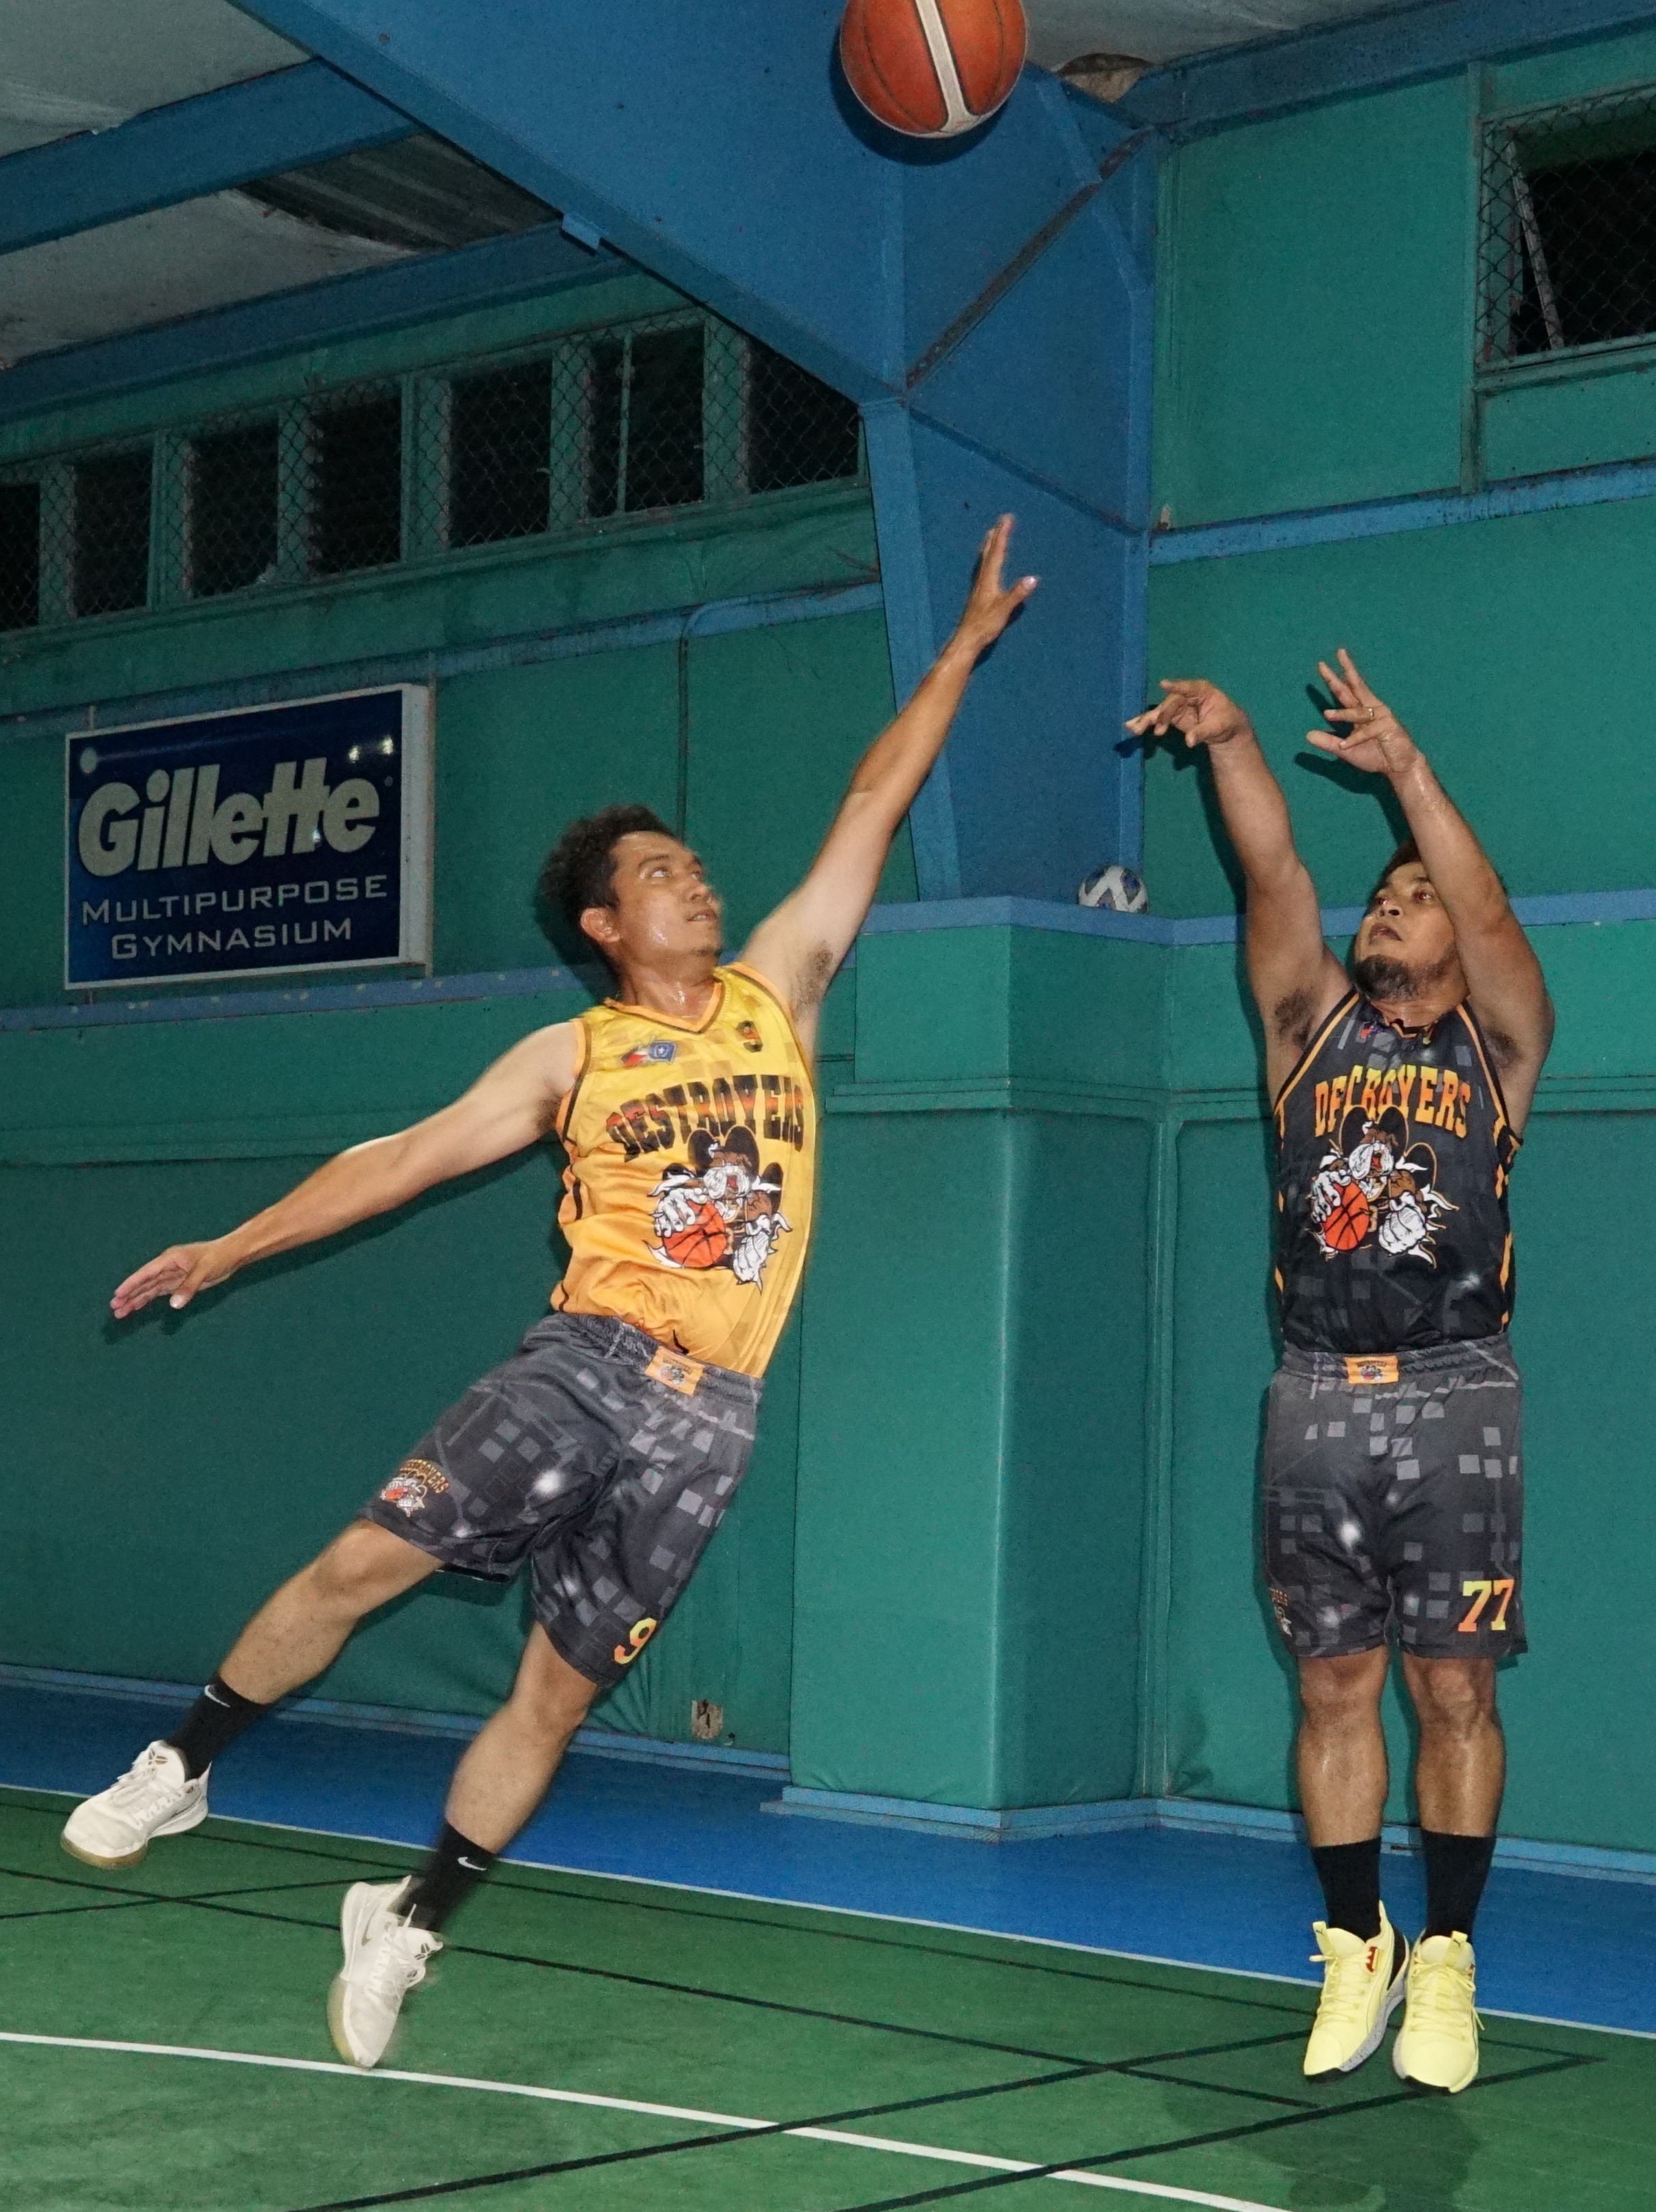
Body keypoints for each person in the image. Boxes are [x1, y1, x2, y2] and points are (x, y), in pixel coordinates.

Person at [60, 521, 1037, 2067]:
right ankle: (182, 1761)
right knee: (362, 1564)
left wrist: (963, 653)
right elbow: (400, 1160)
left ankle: (412, 1917)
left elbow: (871, 803)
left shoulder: (776, 994)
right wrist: (233, 1247)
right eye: (663, 876)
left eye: (698, 868)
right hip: (585, 1364)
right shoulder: (573, 1056)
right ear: (605, 925)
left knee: (556, 1698)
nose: (698, 886)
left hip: (710, 1420)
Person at [1132, 651, 1553, 2095]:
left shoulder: (1500, 1044)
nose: (1392, 900)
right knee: (1331, 1689)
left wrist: (1412, 776)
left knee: (1450, 1691)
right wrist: (1237, 740)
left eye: (1412, 891)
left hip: (1456, 1388)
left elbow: (1487, 909)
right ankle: (1352, 1938)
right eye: (1382, 891)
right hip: (1313, 1389)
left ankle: (1445, 1958)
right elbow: (1268, 879)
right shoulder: (1307, 1030)